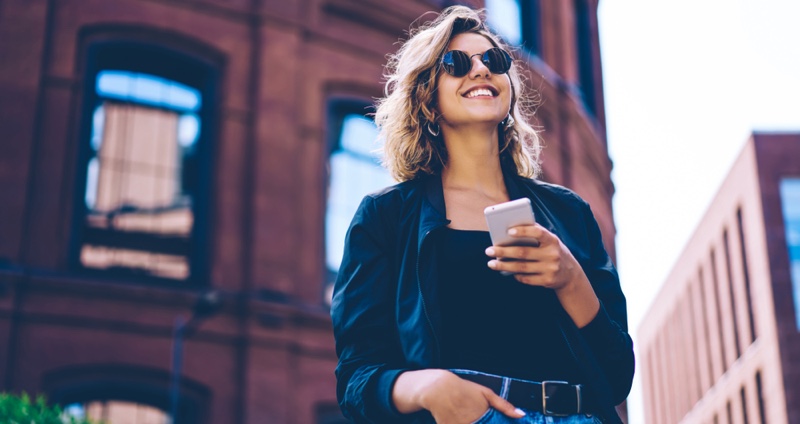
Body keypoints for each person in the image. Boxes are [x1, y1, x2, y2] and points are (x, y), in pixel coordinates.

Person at [331, 6, 634, 424]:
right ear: (427, 98)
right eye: (456, 63)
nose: (480, 70)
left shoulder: (569, 212)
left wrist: (570, 279)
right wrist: (428, 388)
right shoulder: (386, 217)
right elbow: (355, 380)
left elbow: (617, 376)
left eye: (494, 61)